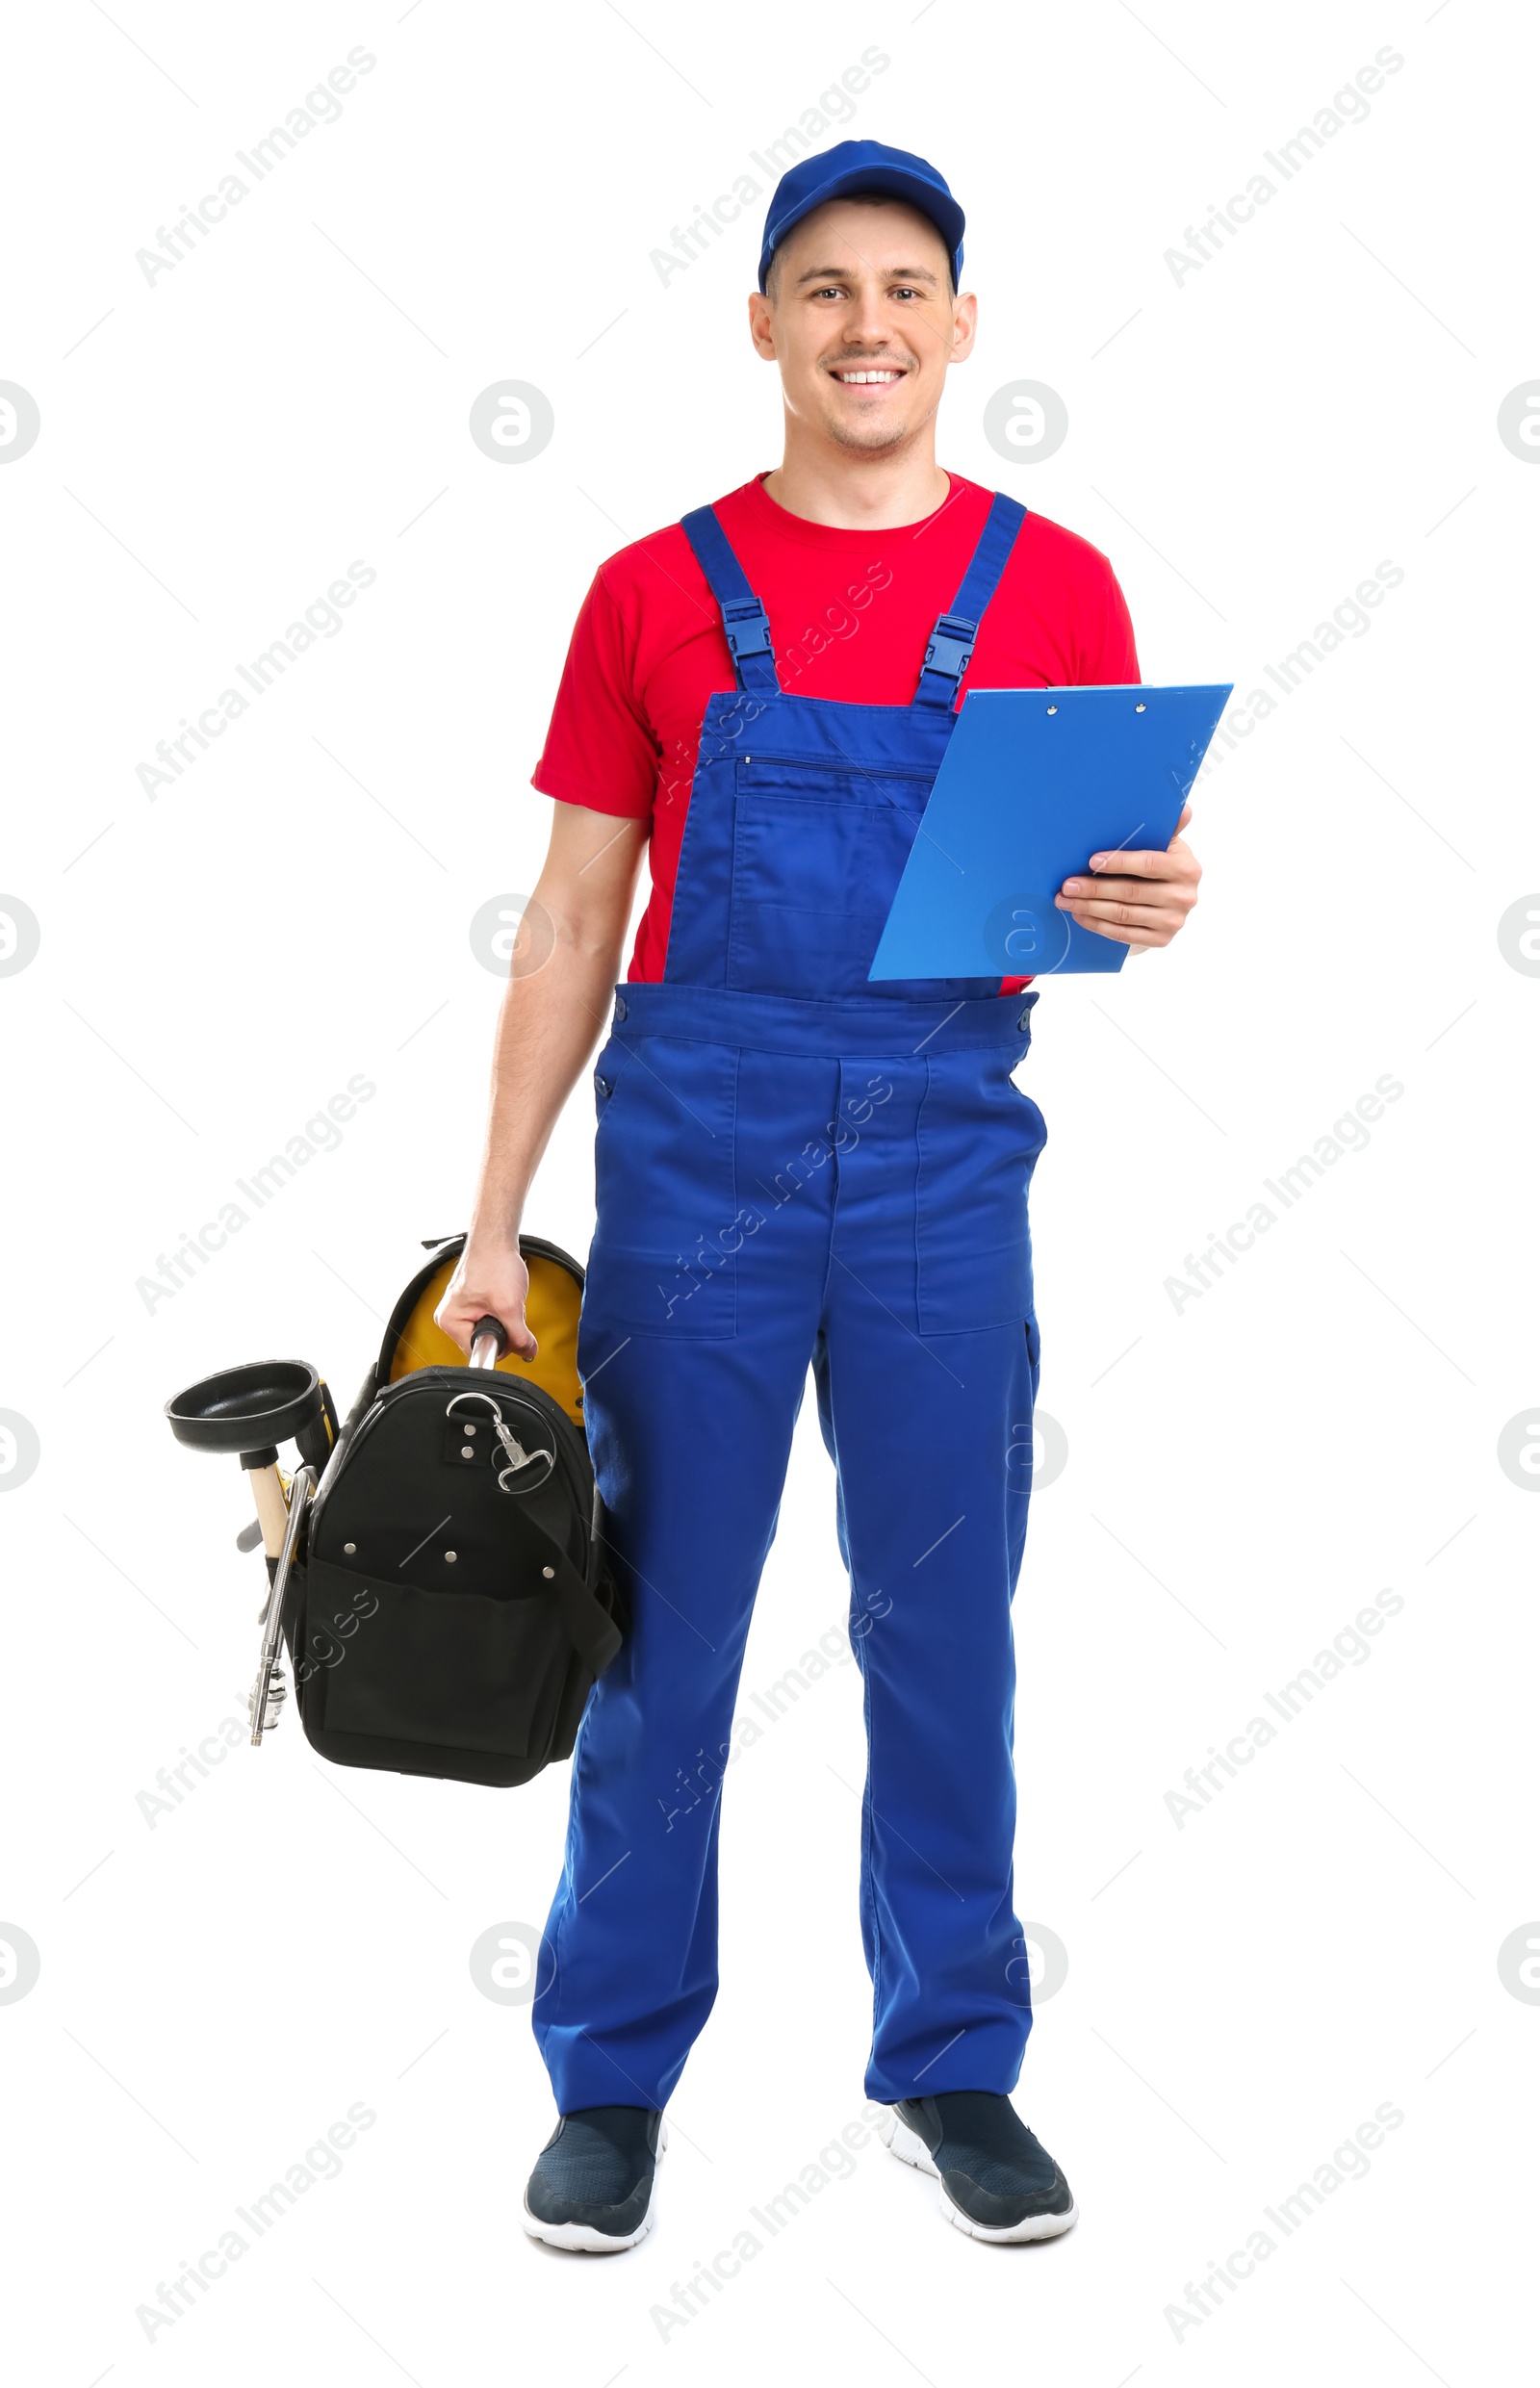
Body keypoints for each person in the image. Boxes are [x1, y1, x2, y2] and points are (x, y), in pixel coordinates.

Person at [438, 139, 1201, 2252]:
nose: (865, 323)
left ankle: (950, 2057)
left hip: (949, 1161)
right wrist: (493, 1225)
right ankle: (608, 2075)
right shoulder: (647, 591)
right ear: (761, 323)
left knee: (943, 1627)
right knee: (654, 1639)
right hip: (699, 1164)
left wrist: (1149, 896)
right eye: (822, 286)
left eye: (904, 288)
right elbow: (573, 918)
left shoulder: (1055, 585)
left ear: (961, 328)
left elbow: (1083, 905)